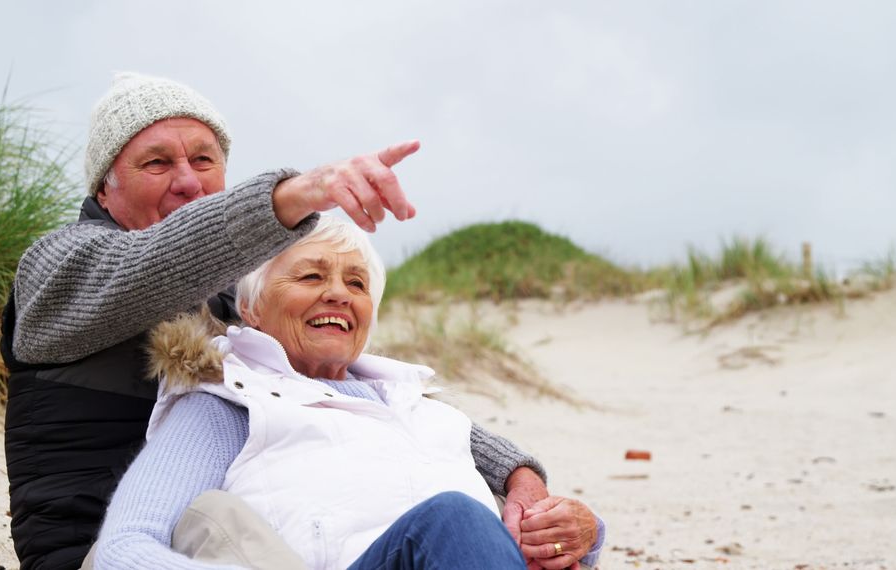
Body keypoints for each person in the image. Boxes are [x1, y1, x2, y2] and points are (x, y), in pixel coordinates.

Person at [1, 73, 570, 569]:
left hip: (239, 535)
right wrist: (298, 195)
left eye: (204, 159)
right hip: (109, 550)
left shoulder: (235, 294)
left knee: (445, 521)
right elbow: (147, 267)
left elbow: (341, 399)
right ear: (106, 184)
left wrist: (515, 473)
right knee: (223, 514)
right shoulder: (62, 267)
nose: (188, 181)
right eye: (157, 162)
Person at [92, 215, 604, 569]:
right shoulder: (230, 403)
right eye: (311, 274)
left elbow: (508, 524)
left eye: (357, 284)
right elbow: (125, 549)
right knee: (454, 519)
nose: (338, 292)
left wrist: (583, 533)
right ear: (250, 308)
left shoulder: (421, 409)